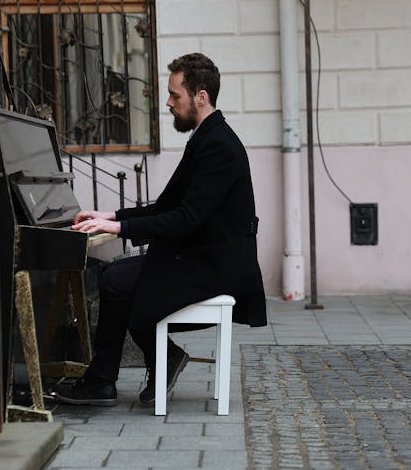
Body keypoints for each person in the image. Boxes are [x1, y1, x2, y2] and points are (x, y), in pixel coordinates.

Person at [55, 53, 267, 406]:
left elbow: (186, 219)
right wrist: (111, 214)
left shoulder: (218, 146)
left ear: (201, 96)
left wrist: (118, 227)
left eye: (175, 95)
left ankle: (105, 379)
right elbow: (170, 208)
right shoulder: (208, 138)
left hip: (218, 268)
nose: (168, 103)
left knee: (116, 282)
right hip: (204, 257)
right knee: (118, 274)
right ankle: (155, 362)